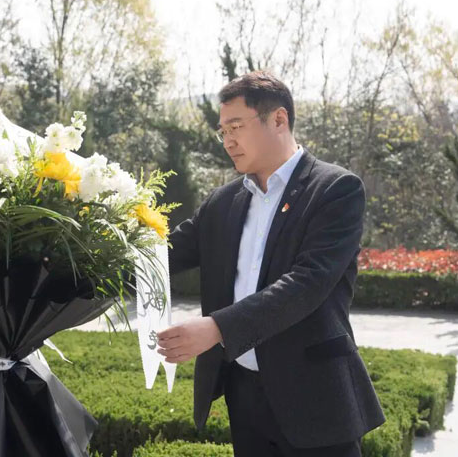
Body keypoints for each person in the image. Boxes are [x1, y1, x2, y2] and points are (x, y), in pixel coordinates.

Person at [157, 70, 386, 457]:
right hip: (245, 396)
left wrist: (217, 327)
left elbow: (306, 284)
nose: (227, 141)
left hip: (316, 399)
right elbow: (162, 255)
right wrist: (80, 258)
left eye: (236, 127)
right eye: (222, 131)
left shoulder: (335, 190)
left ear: (278, 119)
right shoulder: (222, 203)